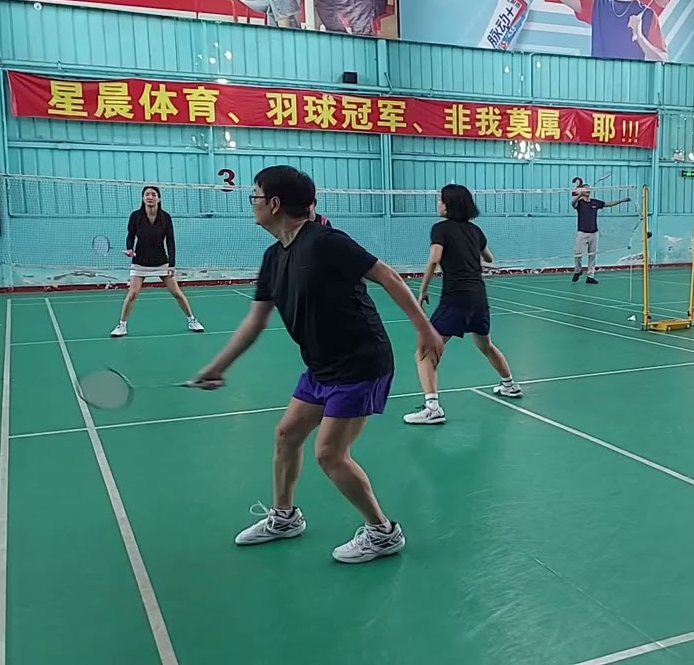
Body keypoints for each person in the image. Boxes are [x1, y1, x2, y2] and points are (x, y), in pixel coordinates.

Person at [191, 165, 444, 563]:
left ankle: (383, 533)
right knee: (286, 435)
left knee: (329, 453)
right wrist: (218, 366)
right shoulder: (273, 257)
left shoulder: (325, 241)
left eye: (255, 196)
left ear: (275, 204)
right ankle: (284, 518)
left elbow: (387, 276)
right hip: (321, 366)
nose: (252, 203)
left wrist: (424, 328)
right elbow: (256, 320)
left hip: (361, 361)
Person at [403, 185, 522, 425]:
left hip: (455, 298)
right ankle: (509, 385)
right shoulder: (475, 230)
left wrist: (422, 290)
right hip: (479, 297)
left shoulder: (440, 229)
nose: (438, 204)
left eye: (440, 200)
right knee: (485, 344)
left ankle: (432, 408)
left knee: (425, 352)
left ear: (449, 205)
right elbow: (489, 258)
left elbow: (435, 259)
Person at [110, 186, 204, 337]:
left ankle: (192, 320)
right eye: (147, 194)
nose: (150, 197)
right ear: (143, 198)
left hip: (161, 262)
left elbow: (170, 241)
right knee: (132, 294)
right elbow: (130, 236)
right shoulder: (135, 216)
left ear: (158, 198)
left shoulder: (165, 217)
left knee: (177, 293)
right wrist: (129, 248)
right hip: (140, 261)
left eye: (153, 194)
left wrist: (172, 264)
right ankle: (122, 326)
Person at [571, 177, 631, 284]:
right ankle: (578, 270)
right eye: (585, 189)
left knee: (592, 255)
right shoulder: (579, 203)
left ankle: (590, 276)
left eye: (588, 189)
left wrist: (621, 201)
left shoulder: (595, 202)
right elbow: (573, 203)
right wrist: (579, 195)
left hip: (594, 233)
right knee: (577, 253)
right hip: (582, 233)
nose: (588, 190)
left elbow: (608, 204)